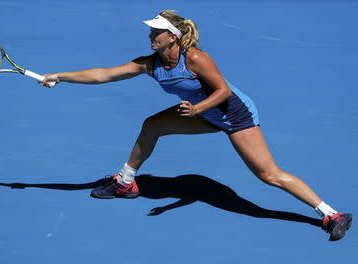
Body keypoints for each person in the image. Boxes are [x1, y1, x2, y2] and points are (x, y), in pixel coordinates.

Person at [40, 10, 352, 241]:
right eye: (151, 33)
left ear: (172, 38)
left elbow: (223, 91)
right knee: (152, 125)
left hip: (233, 115)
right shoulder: (150, 64)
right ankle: (126, 181)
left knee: (268, 174)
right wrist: (61, 76)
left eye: (156, 33)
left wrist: (199, 108)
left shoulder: (196, 59)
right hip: (200, 112)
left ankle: (330, 214)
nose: (150, 37)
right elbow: (105, 74)